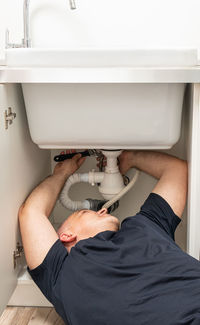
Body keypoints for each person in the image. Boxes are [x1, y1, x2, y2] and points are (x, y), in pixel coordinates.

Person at [19, 150, 200, 325]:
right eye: (85, 212)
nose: (103, 209)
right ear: (67, 235)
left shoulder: (145, 225)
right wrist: (62, 173)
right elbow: (31, 212)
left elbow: (177, 170)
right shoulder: (60, 271)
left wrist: (131, 157)